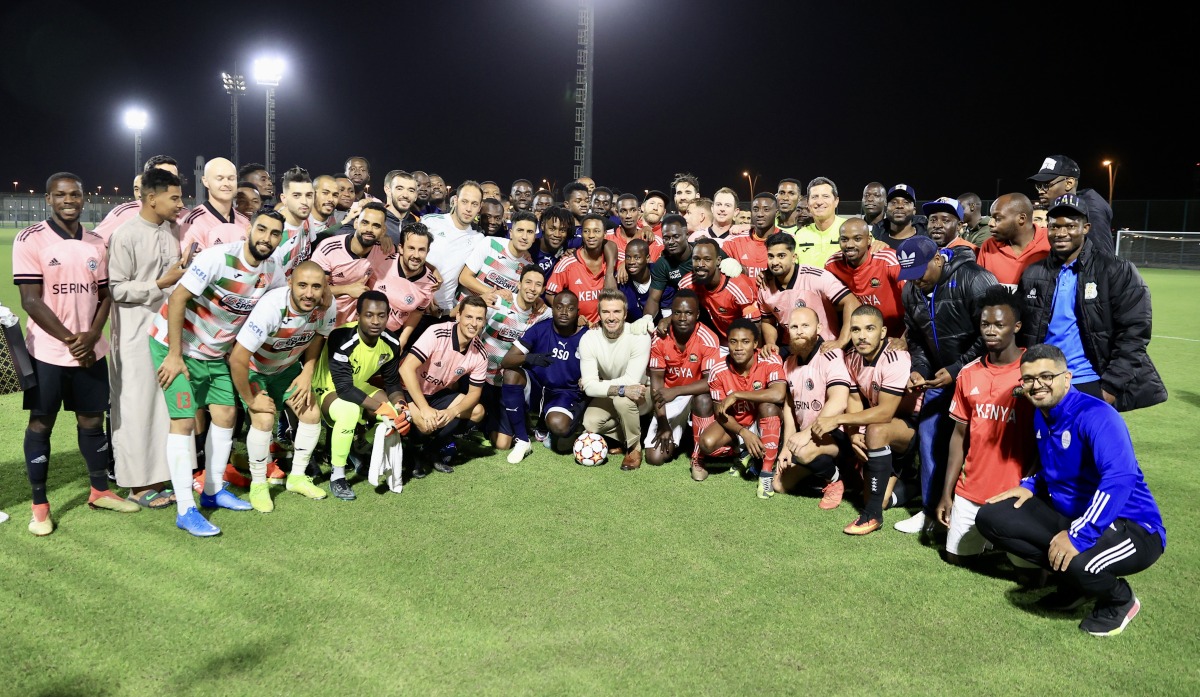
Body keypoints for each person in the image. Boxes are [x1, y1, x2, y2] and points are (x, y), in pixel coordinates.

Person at [976, 343, 1166, 637]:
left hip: (1134, 526)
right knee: (991, 517)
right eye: (1028, 379)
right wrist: (1031, 485)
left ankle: (1118, 599)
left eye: (1046, 376)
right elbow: (1060, 466)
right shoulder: (1043, 412)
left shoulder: (1096, 415)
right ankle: (1074, 585)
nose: (1037, 385)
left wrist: (1079, 535)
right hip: (1075, 517)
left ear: (1067, 377)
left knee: (1079, 562)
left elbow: (1120, 478)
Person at [151, 209, 288, 536]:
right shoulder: (217, 258)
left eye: (274, 234)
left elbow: (277, 307)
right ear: (249, 230)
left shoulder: (273, 271)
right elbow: (179, 297)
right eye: (262, 230)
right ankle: (186, 508)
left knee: (226, 415)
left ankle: (212, 490)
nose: (266, 238)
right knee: (183, 421)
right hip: (176, 345)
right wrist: (173, 353)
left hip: (216, 353)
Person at [16, 172, 138, 535]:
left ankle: (99, 490)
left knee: (91, 420)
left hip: (91, 350)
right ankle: (40, 506)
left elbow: (105, 295)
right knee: (42, 421)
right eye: (61, 195)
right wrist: (73, 339)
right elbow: (30, 300)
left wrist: (93, 333)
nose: (69, 200)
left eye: (76, 195)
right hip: (49, 350)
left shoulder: (98, 242)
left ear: (84, 199)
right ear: (49, 199)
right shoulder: (30, 239)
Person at [1017, 194, 1166, 411]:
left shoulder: (1116, 270)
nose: (1061, 233)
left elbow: (1135, 333)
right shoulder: (1033, 273)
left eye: (1070, 226)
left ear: (1086, 227)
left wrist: (1110, 388)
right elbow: (1023, 331)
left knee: (1087, 445)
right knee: (1043, 444)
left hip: (1089, 381)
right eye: (1054, 226)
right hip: (1043, 381)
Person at [895, 235, 999, 536]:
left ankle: (983, 518)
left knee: (982, 448)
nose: (915, 282)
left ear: (938, 259)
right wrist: (920, 370)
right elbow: (917, 338)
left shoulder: (975, 279)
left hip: (982, 376)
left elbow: (993, 332)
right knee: (929, 436)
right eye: (909, 275)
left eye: (919, 274)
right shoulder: (910, 291)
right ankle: (930, 510)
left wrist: (957, 368)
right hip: (941, 379)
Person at [107, 168, 190, 510]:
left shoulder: (170, 233)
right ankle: (136, 485)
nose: (181, 205)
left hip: (163, 333)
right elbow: (116, 288)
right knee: (135, 408)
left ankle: (158, 478)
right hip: (132, 334)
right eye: (175, 198)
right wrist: (159, 283)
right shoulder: (125, 234)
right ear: (151, 197)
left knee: (160, 407)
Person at [935, 286, 1034, 564]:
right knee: (955, 559)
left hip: (1016, 491)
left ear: (1016, 326)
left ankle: (1002, 538)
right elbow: (958, 436)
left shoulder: (1033, 371)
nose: (991, 330)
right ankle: (990, 538)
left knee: (1031, 575)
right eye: (985, 324)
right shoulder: (968, 374)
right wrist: (947, 492)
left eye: (999, 325)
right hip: (971, 489)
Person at [229, 261, 336, 511]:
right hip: (254, 368)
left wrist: (307, 371)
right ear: (290, 283)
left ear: (324, 288)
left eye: (316, 287)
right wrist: (251, 399)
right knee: (264, 419)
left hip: (285, 369)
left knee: (311, 413)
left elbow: (319, 336)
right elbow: (238, 357)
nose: (309, 293)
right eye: (302, 285)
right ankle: (258, 485)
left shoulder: (328, 308)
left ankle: (297, 478)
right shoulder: (272, 307)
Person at [811, 305, 922, 535]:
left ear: (882, 332)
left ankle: (872, 516)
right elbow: (854, 400)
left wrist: (837, 420)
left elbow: (885, 413)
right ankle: (914, 484)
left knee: (876, 431)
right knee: (876, 496)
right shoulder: (851, 357)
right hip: (880, 426)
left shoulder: (895, 358)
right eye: (856, 330)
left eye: (869, 329)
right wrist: (852, 434)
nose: (862, 336)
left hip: (911, 426)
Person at [312, 291, 406, 499]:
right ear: (358, 315)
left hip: (356, 384)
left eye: (381, 316)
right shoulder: (342, 337)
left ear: (388, 316)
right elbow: (344, 388)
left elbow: (392, 383)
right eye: (369, 315)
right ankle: (337, 476)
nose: (375, 321)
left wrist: (401, 405)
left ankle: (360, 447)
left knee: (394, 413)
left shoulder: (391, 342)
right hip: (326, 387)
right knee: (350, 411)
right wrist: (379, 407)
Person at [399, 296, 490, 475]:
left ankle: (432, 450)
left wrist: (452, 412)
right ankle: (412, 450)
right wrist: (424, 408)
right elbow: (406, 369)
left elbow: (474, 394)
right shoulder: (437, 332)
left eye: (479, 319)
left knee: (478, 411)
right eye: (469, 317)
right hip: (407, 390)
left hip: (436, 394)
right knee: (425, 424)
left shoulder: (480, 353)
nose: (473, 323)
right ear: (458, 317)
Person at [696, 319, 786, 497]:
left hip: (766, 422)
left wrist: (737, 395)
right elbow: (719, 412)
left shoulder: (770, 359)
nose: (738, 347)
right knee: (706, 443)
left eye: (745, 342)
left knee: (768, 407)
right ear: (727, 343)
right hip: (737, 425)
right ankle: (742, 451)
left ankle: (766, 474)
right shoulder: (718, 369)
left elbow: (778, 394)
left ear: (755, 343)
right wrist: (743, 433)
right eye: (733, 341)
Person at [775, 307, 853, 507]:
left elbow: (838, 401)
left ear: (818, 328)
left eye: (805, 326)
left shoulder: (831, 355)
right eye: (794, 327)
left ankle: (835, 480)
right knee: (779, 485)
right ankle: (840, 479)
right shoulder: (789, 363)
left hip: (836, 435)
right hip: (809, 439)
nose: (799, 331)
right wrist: (785, 447)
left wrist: (806, 435)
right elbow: (789, 408)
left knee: (801, 451)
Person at [500, 290, 589, 462]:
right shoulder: (540, 328)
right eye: (559, 307)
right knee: (511, 374)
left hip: (565, 393)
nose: (564, 312)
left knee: (559, 428)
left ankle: (560, 423)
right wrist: (529, 357)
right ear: (552, 309)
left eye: (570, 309)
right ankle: (522, 440)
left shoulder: (587, 336)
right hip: (537, 388)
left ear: (578, 312)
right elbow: (506, 361)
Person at [476, 265, 551, 450]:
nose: (532, 288)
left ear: (542, 290)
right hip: (479, 377)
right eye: (528, 282)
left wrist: (583, 320)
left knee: (502, 445)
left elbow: (565, 313)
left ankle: (491, 419)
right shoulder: (500, 301)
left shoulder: (543, 314)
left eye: (538, 285)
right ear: (519, 283)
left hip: (504, 383)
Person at [645, 291, 721, 467]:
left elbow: (710, 382)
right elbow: (657, 385)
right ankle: (684, 433)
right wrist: (663, 424)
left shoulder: (708, 338)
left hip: (694, 394)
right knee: (654, 458)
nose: (682, 317)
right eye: (677, 312)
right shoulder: (660, 338)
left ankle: (698, 449)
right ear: (671, 313)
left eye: (688, 313)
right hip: (669, 397)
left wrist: (677, 391)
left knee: (703, 399)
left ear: (697, 314)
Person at [579, 290, 652, 470]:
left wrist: (599, 385)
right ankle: (624, 435)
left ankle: (634, 447)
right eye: (606, 312)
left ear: (625, 314)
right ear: (599, 314)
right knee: (590, 423)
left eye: (617, 312)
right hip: (615, 392)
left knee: (622, 401)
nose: (611, 317)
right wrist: (617, 389)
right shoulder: (589, 338)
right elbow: (588, 387)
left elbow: (632, 381)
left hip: (642, 391)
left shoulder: (639, 336)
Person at [757, 232, 859, 356]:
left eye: (781, 256)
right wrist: (771, 342)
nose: (775, 262)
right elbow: (768, 321)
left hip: (825, 346)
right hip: (792, 348)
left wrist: (841, 341)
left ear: (794, 257)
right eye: (771, 256)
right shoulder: (764, 286)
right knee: (767, 360)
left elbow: (852, 302)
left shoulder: (816, 277)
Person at [311, 201, 393, 325]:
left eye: (376, 226)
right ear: (355, 223)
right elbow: (313, 289)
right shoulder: (329, 248)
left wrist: (433, 271)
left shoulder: (384, 249)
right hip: (321, 316)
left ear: (383, 231)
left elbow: (407, 260)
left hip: (352, 321)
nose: (369, 230)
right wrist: (346, 289)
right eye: (365, 223)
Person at [825, 218, 905, 338]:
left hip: (895, 335)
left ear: (869, 240)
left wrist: (904, 339)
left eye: (857, 239)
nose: (850, 245)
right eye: (844, 239)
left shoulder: (889, 260)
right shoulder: (832, 265)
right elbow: (827, 307)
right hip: (856, 338)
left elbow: (915, 302)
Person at [1027, 155, 1114, 255]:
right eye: (1039, 186)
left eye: (1046, 185)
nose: (1041, 191)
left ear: (1069, 183)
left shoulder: (1090, 209)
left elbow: (1102, 257)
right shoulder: (1070, 205)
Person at [679, 238, 761, 342]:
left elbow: (754, 326)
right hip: (713, 339)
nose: (700, 264)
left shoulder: (738, 285)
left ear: (718, 261)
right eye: (696, 259)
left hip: (739, 342)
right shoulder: (687, 284)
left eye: (707, 259)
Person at [373, 222, 439, 347]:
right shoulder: (382, 260)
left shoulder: (430, 283)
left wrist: (403, 339)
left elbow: (417, 312)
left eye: (421, 250)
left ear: (428, 251)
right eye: (411, 248)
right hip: (359, 328)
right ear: (401, 248)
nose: (416, 255)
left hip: (390, 336)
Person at [423, 180, 485, 314]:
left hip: (443, 310)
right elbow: (407, 254)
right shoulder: (430, 222)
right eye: (464, 201)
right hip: (415, 300)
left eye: (474, 204)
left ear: (480, 207)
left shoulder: (479, 239)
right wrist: (432, 269)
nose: (468, 209)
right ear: (455, 200)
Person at [94, 155, 183, 245]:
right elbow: (94, 244)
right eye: (164, 179)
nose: (172, 183)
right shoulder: (124, 213)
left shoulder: (186, 216)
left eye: (174, 178)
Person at [459, 210, 536, 304]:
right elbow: (464, 278)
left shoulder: (529, 267)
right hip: (463, 308)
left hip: (491, 317)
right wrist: (495, 293)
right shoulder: (490, 243)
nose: (524, 236)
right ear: (511, 233)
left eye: (530, 232)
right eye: (520, 230)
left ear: (534, 238)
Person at [976, 193, 1050, 291]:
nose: (990, 223)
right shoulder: (989, 246)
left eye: (998, 219)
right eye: (991, 218)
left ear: (1021, 219)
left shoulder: (1051, 241)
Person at [546, 214, 610, 325]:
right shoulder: (567, 263)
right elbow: (550, 294)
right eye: (586, 231)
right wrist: (573, 317)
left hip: (605, 326)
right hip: (578, 328)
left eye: (596, 231)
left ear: (604, 234)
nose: (591, 235)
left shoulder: (610, 260)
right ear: (581, 234)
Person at [180, 158, 249, 253]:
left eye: (231, 178)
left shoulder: (244, 222)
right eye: (219, 179)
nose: (226, 183)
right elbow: (197, 265)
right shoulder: (193, 221)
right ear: (205, 181)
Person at [722, 193, 778, 281]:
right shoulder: (733, 242)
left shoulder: (788, 239)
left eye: (766, 209)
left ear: (776, 212)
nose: (760, 214)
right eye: (755, 209)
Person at [794, 177, 846, 268]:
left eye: (825, 196)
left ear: (836, 201)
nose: (819, 202)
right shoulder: (800, 236)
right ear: (808, 203)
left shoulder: (851, 229)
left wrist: (878, 244)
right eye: (814, 197)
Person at [273, 166, 317, 276]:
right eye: (296, 195)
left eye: (309, 195)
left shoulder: (307, 216)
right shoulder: (275, 236)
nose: (305, 201)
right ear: (284, 199)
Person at [607, 193, 663, 263]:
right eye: (623, 211)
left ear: (639, 211)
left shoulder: (653, 241)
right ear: (617, 212)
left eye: (633, 210)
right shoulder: (607, 238)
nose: (628, 215)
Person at [875, 184, 927, 249]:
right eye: (894, 202)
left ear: (914, 210)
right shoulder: (876, 238)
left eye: (906, 202)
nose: (899, 206)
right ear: (886, 208)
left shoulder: (926, 239)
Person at [530, 205, 574, 278]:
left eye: (562, 230)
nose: (557, 235)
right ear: (542, 226)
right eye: (552, 229)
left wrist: (574, 253)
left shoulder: (568, 247)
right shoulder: (530, 248)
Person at [616, 239, 653, 321]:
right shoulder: (621, 280)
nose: (631, 262)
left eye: (637, 257)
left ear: (647, 258)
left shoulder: (659, 274)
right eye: (628, 257)